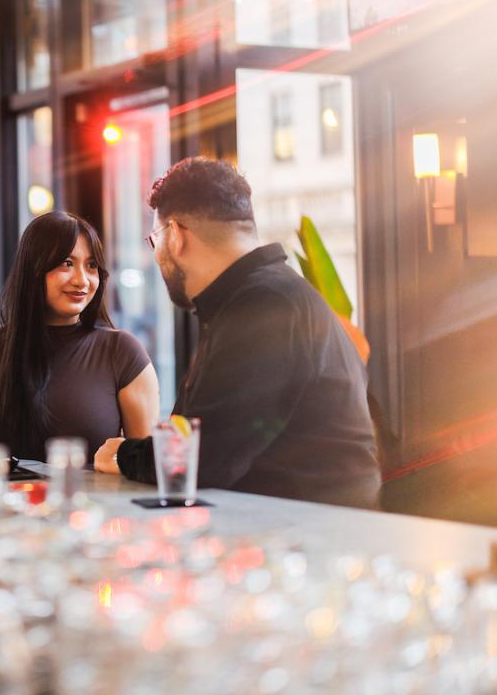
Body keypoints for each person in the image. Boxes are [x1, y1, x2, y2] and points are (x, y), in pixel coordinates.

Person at [93, 157, 380, 509]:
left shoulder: (264, 305)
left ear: (177, 236)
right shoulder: (267, 296)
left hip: (307, 539)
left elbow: (207, 457)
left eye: (156, 240)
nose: (157, 255)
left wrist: (125, 454)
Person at [0, 211, 159, 461]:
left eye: (91, 265)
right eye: (66, 263)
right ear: (33, 269)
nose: (82, 280)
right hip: (3, 498)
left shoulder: (122, 351)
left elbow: (146, 462)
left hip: (88, 499)